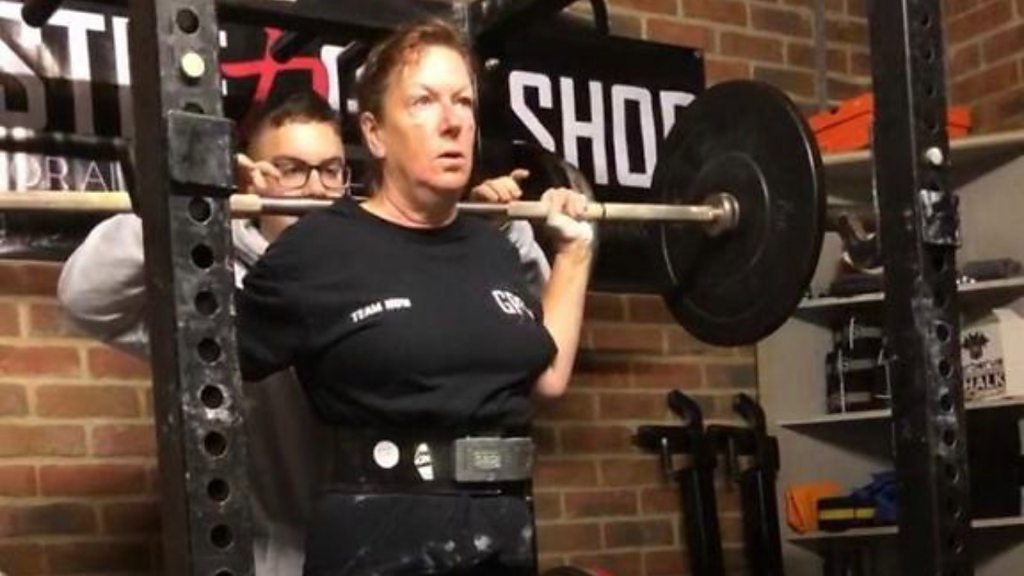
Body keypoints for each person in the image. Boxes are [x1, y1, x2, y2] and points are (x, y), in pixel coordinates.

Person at [57, 90, 551, 575]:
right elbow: (89, 298)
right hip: (268, 555)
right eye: (291, 169)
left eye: (331, 170)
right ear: (250, 176)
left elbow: (523, 331)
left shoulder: (384, 264)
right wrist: (191, 207)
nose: (316, 189)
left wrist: (493, 233)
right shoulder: (217, 281)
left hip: (400, 536)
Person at [235, 20, 593, 576]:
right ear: (375, 133)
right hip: (379, 537)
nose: (453, 122)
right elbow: (205, 362)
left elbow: (547, 378)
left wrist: (574, 255)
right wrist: (200, 213)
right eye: (424, 101)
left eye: (463, 102)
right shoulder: (318, 247)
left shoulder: (492, 247)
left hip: (504, 530)